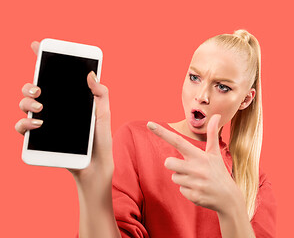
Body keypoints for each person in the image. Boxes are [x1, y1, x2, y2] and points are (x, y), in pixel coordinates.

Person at [15, 29, 277, 237]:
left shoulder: (257, 185)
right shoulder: (137, 140)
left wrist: (231, 207)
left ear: (245, 99)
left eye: (222, 87)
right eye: (195, 78)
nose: (201, 96)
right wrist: (91, 186)